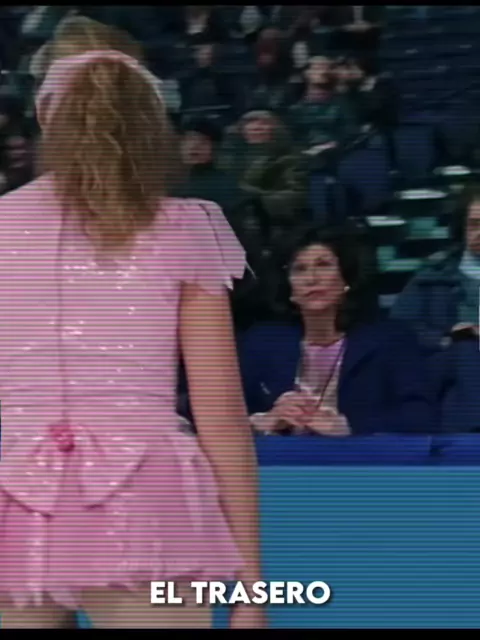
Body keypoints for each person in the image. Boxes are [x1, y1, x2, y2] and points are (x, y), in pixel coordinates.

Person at [0, 17, 264, 630]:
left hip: (16, 497)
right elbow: (223, 419)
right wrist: (253, 591)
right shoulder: (187, 226)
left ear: (44, 111)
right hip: (149, 508)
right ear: (146, 110)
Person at [239, 225, 436, 436]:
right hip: (282, 455)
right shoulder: (262, 342)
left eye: (323, 265)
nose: (312, 279)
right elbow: (220, 411)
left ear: (346, 280)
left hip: (357, 455)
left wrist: (349, 426)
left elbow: (421, 417)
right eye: (300, 269)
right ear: (290, 289)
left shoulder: (391, 339)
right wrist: (262, 420)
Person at [391, 184, 480, 432]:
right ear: (462, 227)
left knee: (456, 395)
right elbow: (398, 328)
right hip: (445, 359)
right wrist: (446, 338)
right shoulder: (433, 274)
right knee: (468, 351)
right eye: (474, 224)